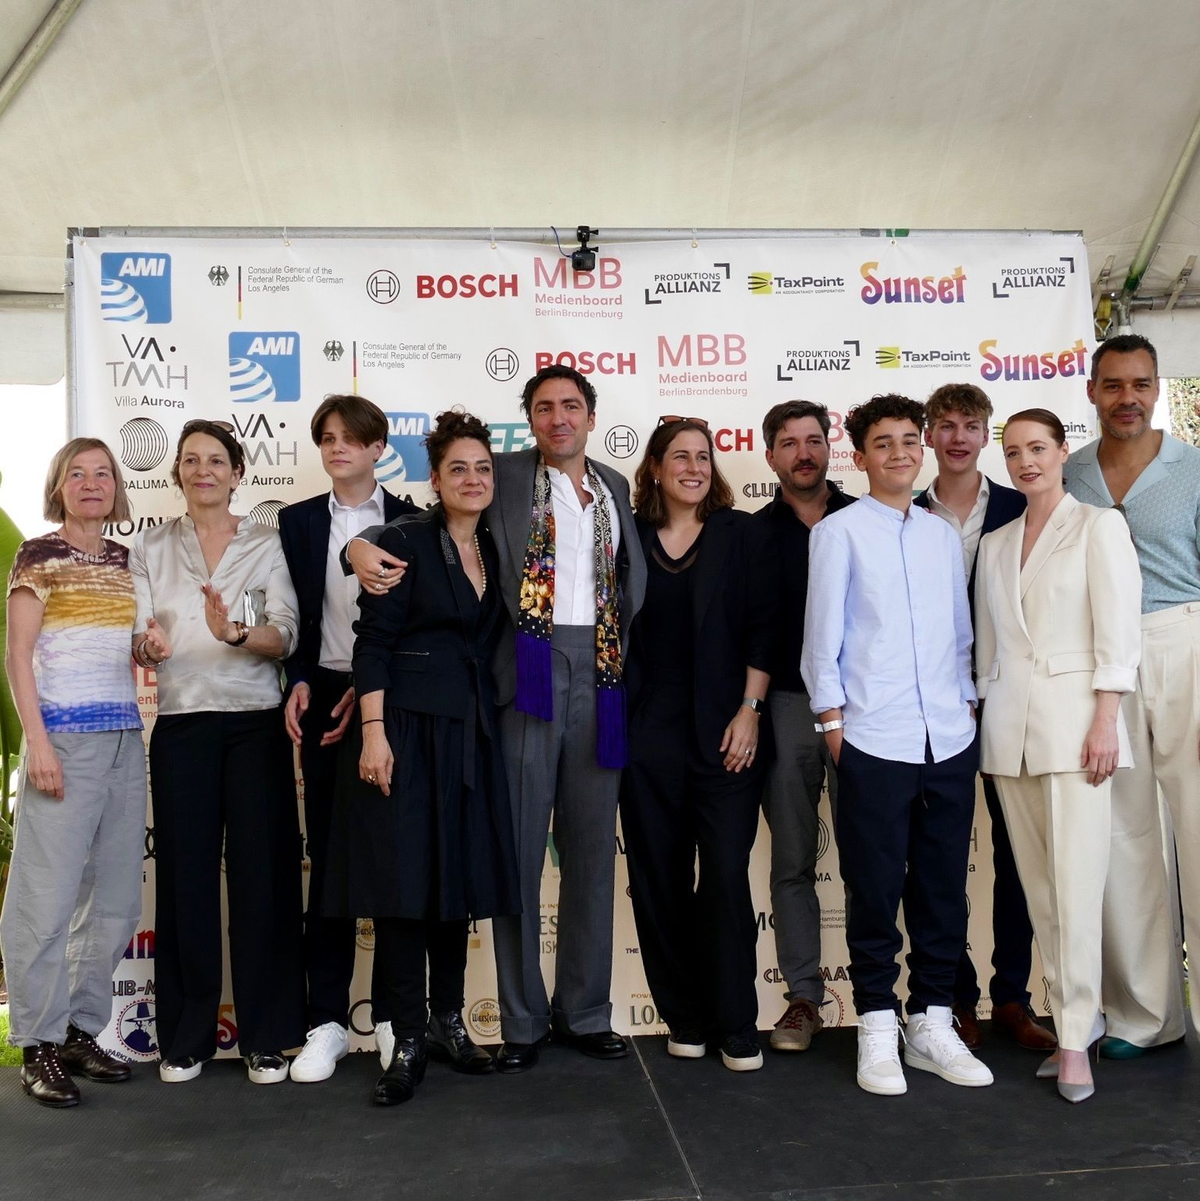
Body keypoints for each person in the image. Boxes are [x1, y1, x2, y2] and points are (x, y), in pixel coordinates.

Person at [346, 365, 646, 1072]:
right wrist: (355, 544)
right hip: (527, 677)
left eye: (571, 406)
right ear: (530, 421)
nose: (559, 418)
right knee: (515, 853)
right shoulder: (505, 472)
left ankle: (587, 1010)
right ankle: (522, 1019)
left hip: (601, 680)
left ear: (592, 415)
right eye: (544, 408)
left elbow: (631, 579)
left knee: (593, 852)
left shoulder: (616, 486)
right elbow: (431, 516)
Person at [801, 393, 992, 1097]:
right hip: (873, 735)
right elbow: (822, 640)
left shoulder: (942, 534)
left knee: (943, 885)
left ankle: (933, 1019)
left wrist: (966, 706)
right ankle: (878, 1021)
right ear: (861, 456)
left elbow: (960, 631)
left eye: (911, 441)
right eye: (884, 443)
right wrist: (832, 724)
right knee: (875, 886)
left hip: (947, 735)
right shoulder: (839, 532)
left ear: (924, 449)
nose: (901, 453)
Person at [328, 410, 520, 1106]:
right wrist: (374, 731)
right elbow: (372, 643)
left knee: (455, 883)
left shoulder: (493, 549)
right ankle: (405, 1036)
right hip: (405, 731)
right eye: (458, 468)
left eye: (483, 467)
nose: (473, 479)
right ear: (434, 480)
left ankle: (447, 1022)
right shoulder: (404, 539)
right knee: (407, 888)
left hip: (468, 735)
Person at [128, 419, 305, 1085]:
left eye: (216, 460)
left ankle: (264, 1035)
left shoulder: (266, 543)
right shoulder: (149, 546)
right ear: (177, 472)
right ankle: (187, 1035)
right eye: (191, 460)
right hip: (182, 726)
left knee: (263, 879)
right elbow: (142, 635)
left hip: (254, 724)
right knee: (186, 882)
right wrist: (149, 646)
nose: (203, 469)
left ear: (237, 472)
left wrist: (234, 631)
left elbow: (284, 636)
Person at [975, 408, 1141, 1103]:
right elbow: (990, 645)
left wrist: (1108, 719)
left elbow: (1119, 630)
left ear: (1062, 449)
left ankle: (1075, 1038)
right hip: (1008, 735)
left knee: (1076, 885)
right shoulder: (995, 543)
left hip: (1079, 731)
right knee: (1042, 894)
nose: (1025, 462)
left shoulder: (1099, 526)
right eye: (1012, 452)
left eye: (1037, 448)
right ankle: (1073, 1010)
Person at [621, 417, 775, 1071]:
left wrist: (750, 709)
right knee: (657, 879)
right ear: (654, 468)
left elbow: (765, 626)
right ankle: (683, 1015)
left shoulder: (739, 534)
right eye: (678, 456)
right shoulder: (625, 537)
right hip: (643, 737)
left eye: (702, 457)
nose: (693, 466)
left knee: (723, 878)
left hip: (727, 735)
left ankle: (736, 1020)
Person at [1, 440, 145, 1107]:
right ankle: (37, 1043)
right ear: (58, 487)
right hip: (63, 738)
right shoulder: (38, 555)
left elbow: (124, 645)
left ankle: (81, 1032)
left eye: (103, 473)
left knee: (115, 900)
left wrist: (151, 646)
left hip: (123, 739)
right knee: (46, 899)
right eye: (77, 474)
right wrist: (38, 743)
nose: (91, 483)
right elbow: (19, 654)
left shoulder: (123, 559)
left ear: (117, 487)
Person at [279, 395, 418, 1083]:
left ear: (377, 447)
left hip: (390, 704)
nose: (338, 448)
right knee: (328, 864)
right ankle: (326, 1020)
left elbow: (413, 627)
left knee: (392, 864)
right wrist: (301, 678)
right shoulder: (297, 521)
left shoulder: (411, 519)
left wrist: (372, 705)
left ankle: (394, 1017)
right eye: (327, 438)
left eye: (351, 438)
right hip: (323, 695)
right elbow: (293, 615)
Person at [914, 383, 1054, 1054]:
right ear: (929, 435)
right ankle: (955, 996)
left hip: (1008, 702)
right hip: (928, 707)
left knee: (1017, 851)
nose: (960, 436)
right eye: (947, 425)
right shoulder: (904, 513)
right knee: (937, 857)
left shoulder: (1023, 507)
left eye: (973, 425)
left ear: (987, 434)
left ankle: (1012, 996)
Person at [1064, 333, 1193, 1058]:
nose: (1128, 398)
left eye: (1141, 384)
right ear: (1092, 392)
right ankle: (1147, 1015)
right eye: (1114, 385)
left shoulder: (1193, 468)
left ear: (1157, 389)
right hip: (1104, 663)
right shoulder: (1071, 472)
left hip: (1184, 641)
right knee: (1125, 835)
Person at [752, 400, 854, 1053]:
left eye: (813, 440)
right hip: (786, 704)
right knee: (791, 859)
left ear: (830, 447)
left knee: (873, 857)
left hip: (862, 708)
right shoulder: (753, 533)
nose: (803, 452)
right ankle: (802, 998)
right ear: (771, 457)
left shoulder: (867, 519)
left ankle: (882, 998)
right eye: (789, 443)